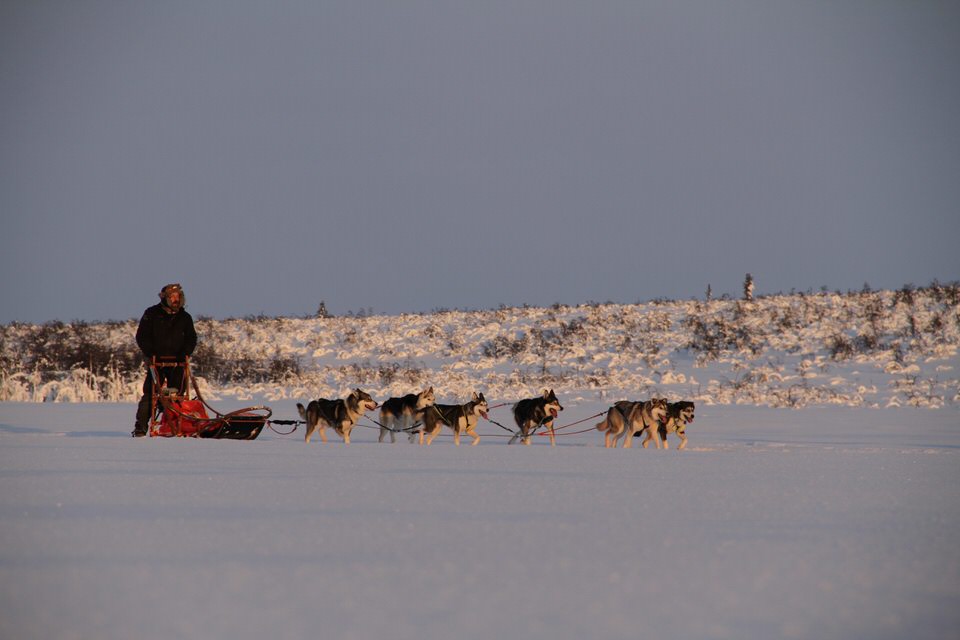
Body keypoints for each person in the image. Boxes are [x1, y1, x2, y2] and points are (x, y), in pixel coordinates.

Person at [132, 283, 198, 437]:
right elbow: (142, 336)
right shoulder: (152, 313)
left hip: (178, 363)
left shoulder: (185, 317)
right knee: (150, 395)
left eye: (178, 296)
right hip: (156, 362)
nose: (176, 299)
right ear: (165, 298)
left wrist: (185, 353)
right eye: (172, 296)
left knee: (178, 396)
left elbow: (191, 338)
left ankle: (176, 426)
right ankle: (140, 428)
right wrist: (150, 353)